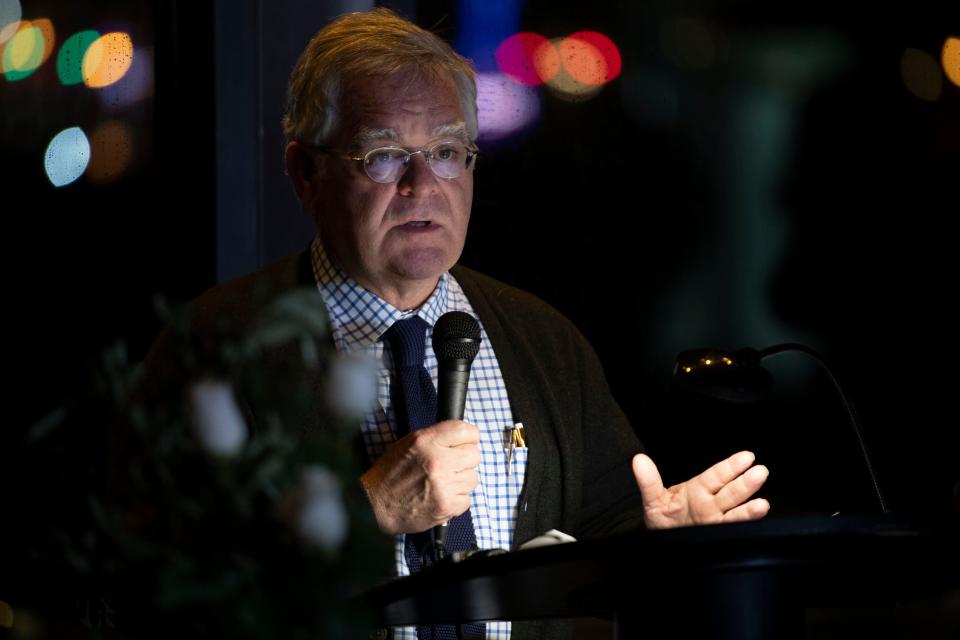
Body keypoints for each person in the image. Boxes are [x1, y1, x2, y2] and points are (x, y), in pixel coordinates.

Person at [147, 8, 770, 639]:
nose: (423, 185)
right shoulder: (213, 349)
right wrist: (368, 512)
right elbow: (154, 590)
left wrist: (657, 546)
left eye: (447, 151)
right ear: (307, 173)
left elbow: (598, 549)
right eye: (384, 155)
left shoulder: (544, 340)